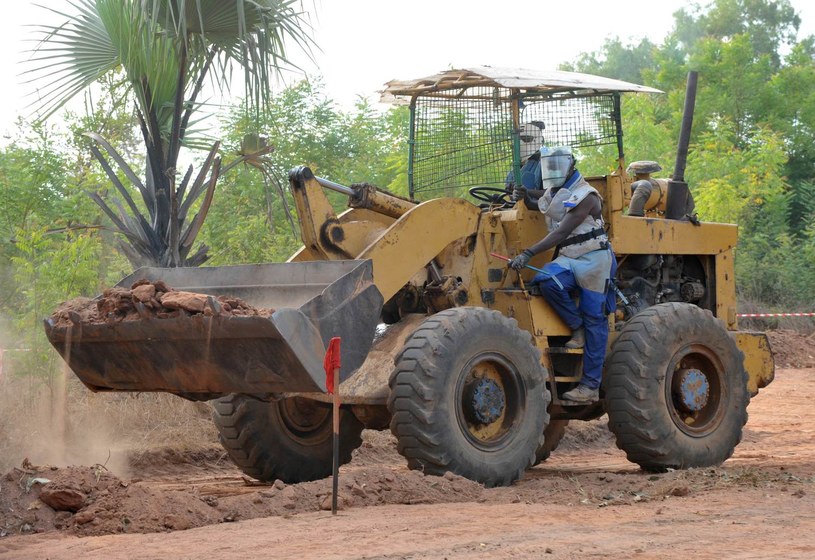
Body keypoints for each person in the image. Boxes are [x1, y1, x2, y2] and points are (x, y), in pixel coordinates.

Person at [508, 146, 616, 403]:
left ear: (571, 165)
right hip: (570, 259)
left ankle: (589, 386)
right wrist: (525, 195)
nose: (553, 170)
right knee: (545, 281)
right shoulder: (559, 192)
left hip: (594, 261)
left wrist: (528, 253)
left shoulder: (587, 195)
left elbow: (559, 231)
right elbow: (544, 201)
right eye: (550, 166)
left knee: (595, 319)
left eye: (557, 166)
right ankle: (575, 328)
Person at [505, 121, 546, 196]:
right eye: (518, 140)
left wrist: (526, 192)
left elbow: (552, 193)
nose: (520, 143)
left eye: (526, 139)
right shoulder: (515, 168)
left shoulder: (545, 164)